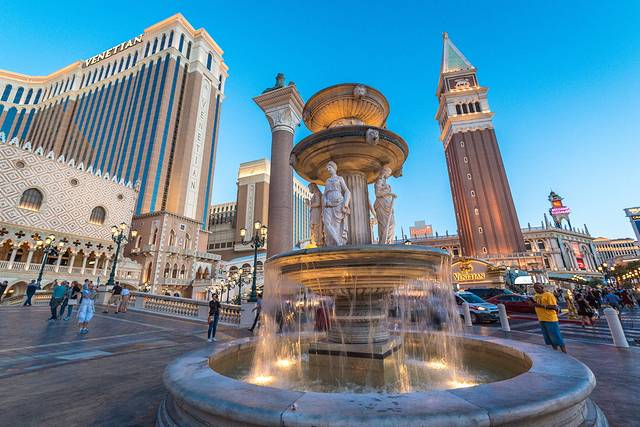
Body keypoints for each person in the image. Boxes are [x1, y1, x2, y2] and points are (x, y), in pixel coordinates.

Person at [530, 283, 566, 353]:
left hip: (550, 319)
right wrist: (532, 303)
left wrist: (539, 305)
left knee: (557, 337)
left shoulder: (549, 295)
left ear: (542, 287)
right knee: (549, 338)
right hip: (541, 319)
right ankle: (555, 352)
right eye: (535, 288)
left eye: (537, 288)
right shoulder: (536, 295)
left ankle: (564, 353)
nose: (536, 290)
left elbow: (554, 307)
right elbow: (536, 304)